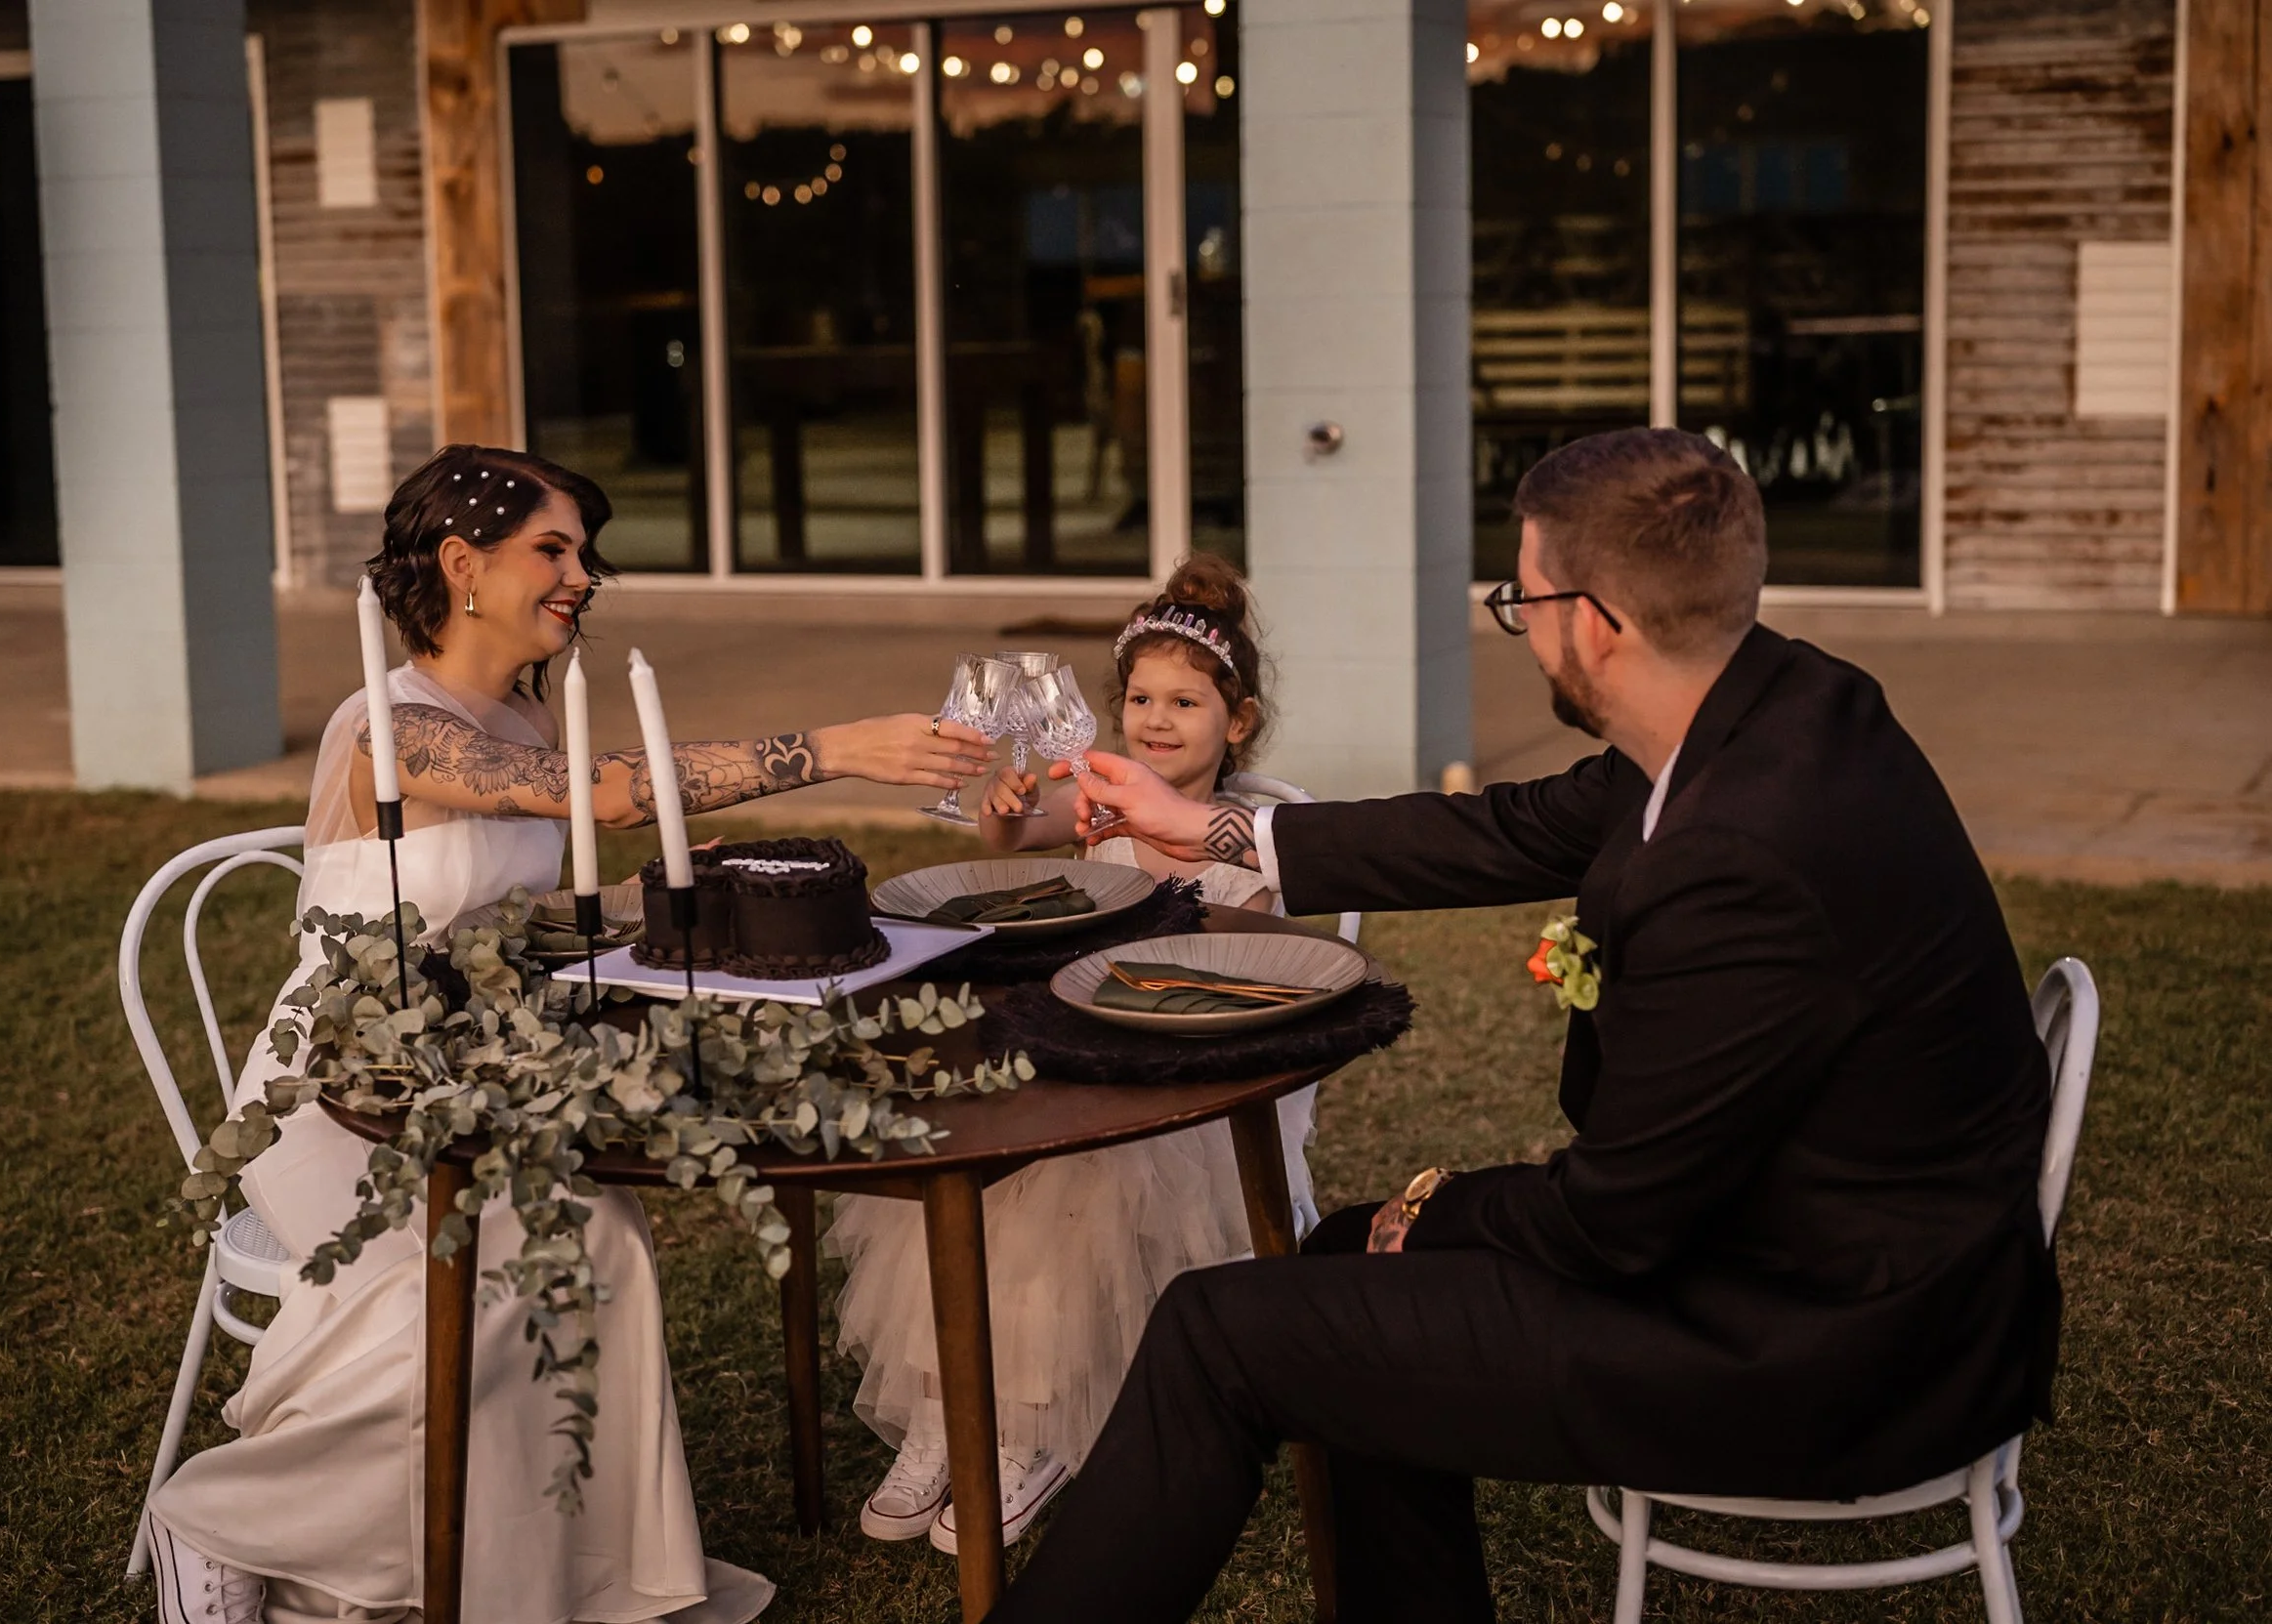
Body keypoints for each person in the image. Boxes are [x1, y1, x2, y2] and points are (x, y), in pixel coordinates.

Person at [985, 428, 2062, 1623]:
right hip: (1836, 1244)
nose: (1520, 624)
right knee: (1340, 1259)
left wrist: (1436, 1205)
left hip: (1819, 1338)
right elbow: (1514, 829)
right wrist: (1225, 834)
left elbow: (1615, 1225)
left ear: (1594, 621)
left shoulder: (1736, 860)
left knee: (1217, 1327)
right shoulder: (1776, 702)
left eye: (1521, 599)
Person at [141, 444, 993, 1624]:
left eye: (583, 554)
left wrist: (769, 907)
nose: (580, 575)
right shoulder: (391, 724)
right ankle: (220, 1520)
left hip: (481, 1071)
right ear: (461, 564)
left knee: (600, 1236)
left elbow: (550, 902)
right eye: (553, 549)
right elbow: (599, 800)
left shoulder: (519, 723)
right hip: (345, 1089)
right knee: (474, 1289)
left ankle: (553, 1580)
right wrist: (832, 750)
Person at [824, 557, 1325, 1559]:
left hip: (1194, 1101)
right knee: (977, 1154)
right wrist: (1010, 801)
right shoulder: (1100, 799)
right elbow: (1011, 832)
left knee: (1077, 1184)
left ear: (1240, 719)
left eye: (1185, 700)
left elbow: (1239, 972)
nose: (1156, 718)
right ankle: (943, 1405)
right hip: (1083, 1059)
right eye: (1139, 697)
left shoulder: (1255, 830)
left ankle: (1032, 1428)